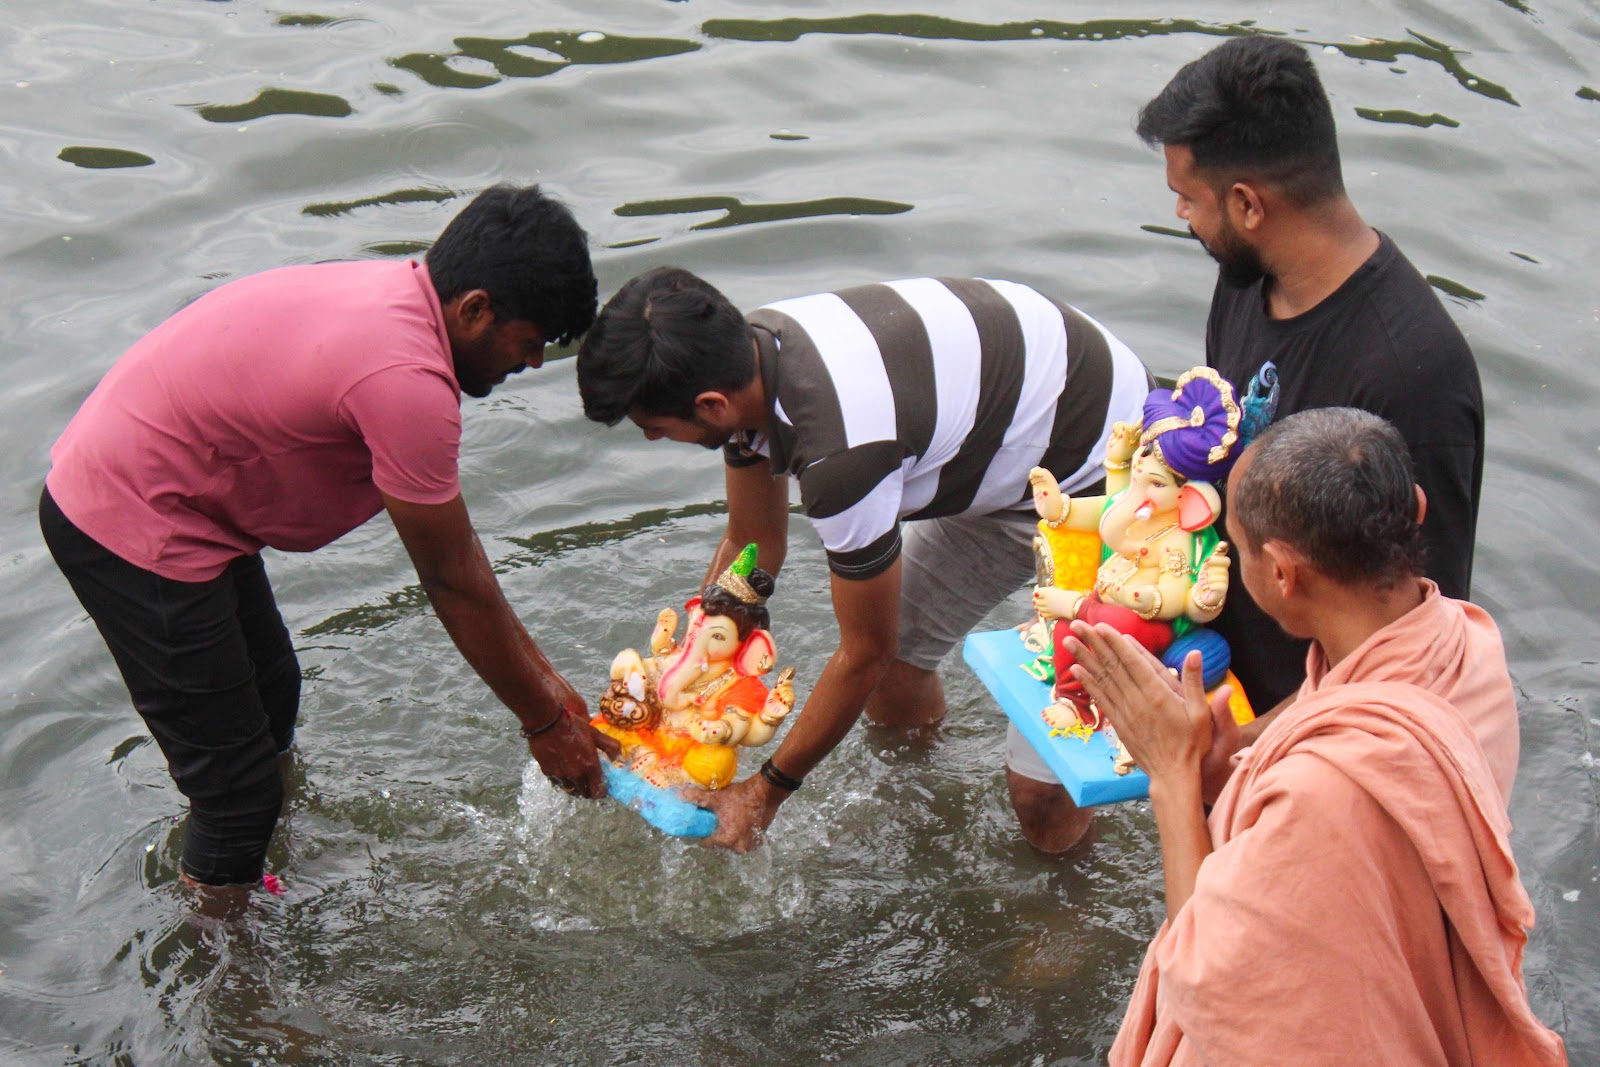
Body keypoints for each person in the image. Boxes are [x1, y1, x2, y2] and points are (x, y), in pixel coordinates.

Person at [40, 184, 616, 904]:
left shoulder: (398, 301)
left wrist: (551, 688)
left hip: (180, 492)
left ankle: (261, 868)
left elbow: (462, 557)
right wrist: (541, 720)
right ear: (474, 309)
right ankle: (230, 982)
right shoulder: (407, 379)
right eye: (529, 343)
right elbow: (449, 578)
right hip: (129, 517)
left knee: (273, 691)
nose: (531, 364)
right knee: (235, 791)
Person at [576, 268, 1152, 852]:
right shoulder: (747, 355)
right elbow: (754, 542)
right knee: (899, 665)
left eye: (654, 428)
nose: (651, 440)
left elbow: (862, 651)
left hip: (1115, 483)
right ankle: (923, 805)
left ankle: (1065, 904)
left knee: (1042, 789)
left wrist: (763, 793)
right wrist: (674, 687)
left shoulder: (841, 453)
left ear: (712, 404)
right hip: (1010, 442)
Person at [1067, 408, 1562, 1066]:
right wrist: (1234, 753)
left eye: (1235, 547)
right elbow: (1336, 717)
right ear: (1413, 509)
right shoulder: (1466, 644)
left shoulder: (1322, 795)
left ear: (1281, 574)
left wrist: (1173, 774)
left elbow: (1212, 980)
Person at [1134, 34, 1485, 726]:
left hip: (1320, 734)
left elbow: (1415, 647)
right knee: (1041, 791)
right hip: (1220, 671)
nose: (1183, 218)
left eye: (1187, 198)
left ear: (1248, 204)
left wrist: (1243, 748)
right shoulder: (1246, 283)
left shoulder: (1413, 373)